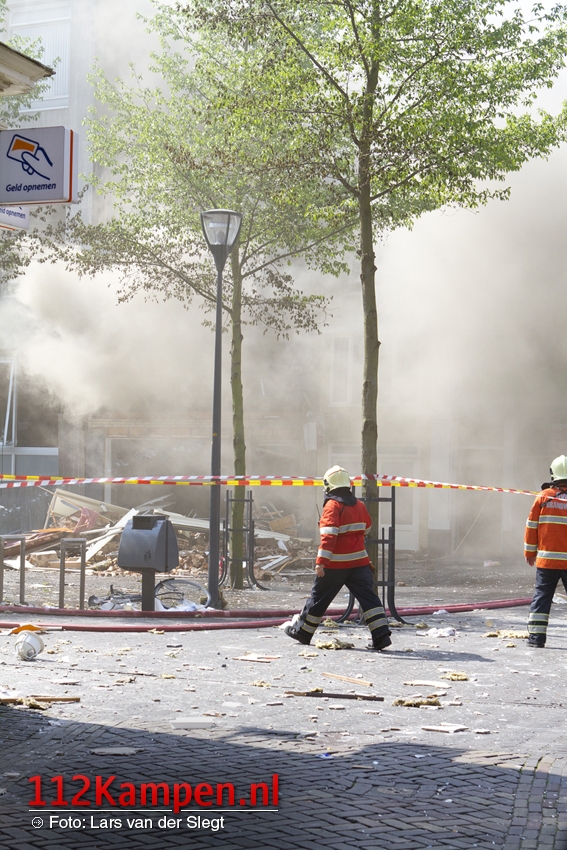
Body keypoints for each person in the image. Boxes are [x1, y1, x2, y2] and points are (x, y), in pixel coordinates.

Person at [283, 465, 392, 650]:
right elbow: (367, 528)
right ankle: (381, 636)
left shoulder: (332, 506)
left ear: (328, 485)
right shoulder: (359, 505)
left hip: (336, 564)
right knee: (369, 599)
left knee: (319, 598)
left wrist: (321, 563)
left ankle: (302, 632)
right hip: (359, 563)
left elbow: (328, 537)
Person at [524, 454, 567, 647]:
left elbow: (531, 526)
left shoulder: (543, 497)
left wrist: (529, 552)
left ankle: (536, 639)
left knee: (542, 598)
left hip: (547, 562)